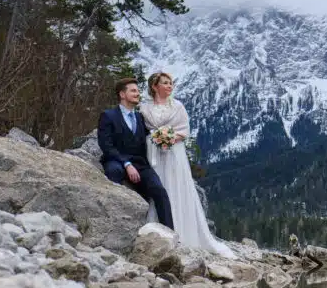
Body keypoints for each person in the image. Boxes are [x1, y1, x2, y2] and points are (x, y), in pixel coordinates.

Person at [139, 72, 236, 258]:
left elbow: (184, 131)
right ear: (154, 86)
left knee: (178, 188)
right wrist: (156, 139)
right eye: (165, 83)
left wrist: (168, 138)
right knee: (160, 188)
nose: (170, 86)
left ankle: (184, 232)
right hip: (154, 154)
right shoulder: (144, 108)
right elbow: (143, 131)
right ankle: (158, 230)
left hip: (174, 152)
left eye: (171, 83)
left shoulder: (178, 106)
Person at [97, 77, 174, 230]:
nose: (138, 94)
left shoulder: (140, 117)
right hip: (116, 161)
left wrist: (165, 138)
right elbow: (106, 145)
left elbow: (150, 137)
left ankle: (170, 233)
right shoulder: (108, 115)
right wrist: (126, 163)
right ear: (122, 94)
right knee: (114, 173)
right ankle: (113, 225)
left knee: (159, 190)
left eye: (138, 91)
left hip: (140, 164)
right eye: (133, 91)